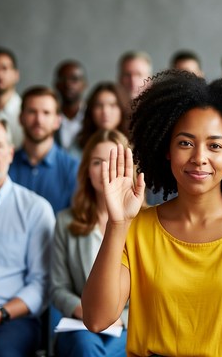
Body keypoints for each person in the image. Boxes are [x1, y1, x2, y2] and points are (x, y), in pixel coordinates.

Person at [82, 71, 222, 356]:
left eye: (215, 146)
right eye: (185, 142)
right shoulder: (138, 229)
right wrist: (117, 223)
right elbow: (98, 319)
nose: (199, 157)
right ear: (167, 150)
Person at [0, 112, 55, 357]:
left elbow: (42, 283)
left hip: (11, 317)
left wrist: (1, 314)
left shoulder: (35, 209)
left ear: (10, 152)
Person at [51, 129, 128, 357]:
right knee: (85, 346)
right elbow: (57, 287)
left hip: (127, 326)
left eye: (114, 160)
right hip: (80, 324)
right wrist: (81, 309)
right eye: (97, 162)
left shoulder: (143, 222)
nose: (106, 169)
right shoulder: (66, 221)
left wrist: (120, 319)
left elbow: (153, 292)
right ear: (87, 170)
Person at [9, 86, 79, 214]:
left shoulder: (73, 168)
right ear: (21, 118)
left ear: (57, 121)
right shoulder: (5, 164)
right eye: (32, 112)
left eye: (46, 113)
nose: (38, 120)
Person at [70, 82, 129, 157]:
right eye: (99, 105)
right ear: (91, 110)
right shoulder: (78, 145)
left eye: (112, 105)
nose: (105, 111)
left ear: (122, 109)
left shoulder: (134, 145)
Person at [54, 60, 88, 150]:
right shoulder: (49, 116)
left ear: (84, 85)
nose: (68, 84)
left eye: (74, 79)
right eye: (63, 79)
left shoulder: (93, 116)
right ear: (56, 85)